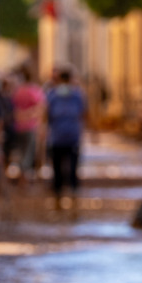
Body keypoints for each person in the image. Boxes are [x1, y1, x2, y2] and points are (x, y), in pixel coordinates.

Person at [46, 68, 86, 202]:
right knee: (72, 165)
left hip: (58, 136)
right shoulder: (77, 94)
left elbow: (46, 114)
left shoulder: (53, 94)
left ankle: (59, 193)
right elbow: (84, 114)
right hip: (71, 135)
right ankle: (73, 192)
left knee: (57, 166)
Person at [9, 66, 44, 184]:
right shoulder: (34, 90)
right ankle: (24, 178)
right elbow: (40, 108)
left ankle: (21, 176)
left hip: (17, 126)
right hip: (30, 126)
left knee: (20, 152)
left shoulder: (17, 90)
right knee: (28, 153)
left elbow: (12, 109)